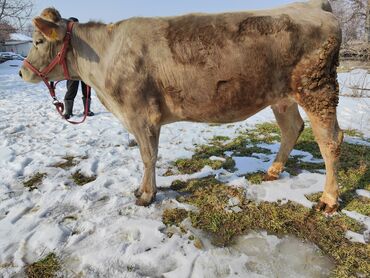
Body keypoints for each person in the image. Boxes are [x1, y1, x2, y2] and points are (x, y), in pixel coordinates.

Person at [63, 17, 94, 119]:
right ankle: (68, 111)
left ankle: (87, 110)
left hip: (85, 68)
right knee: (71, 89)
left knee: (87, 89)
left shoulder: (84, 38)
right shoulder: (66, 38)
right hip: (73, 69)